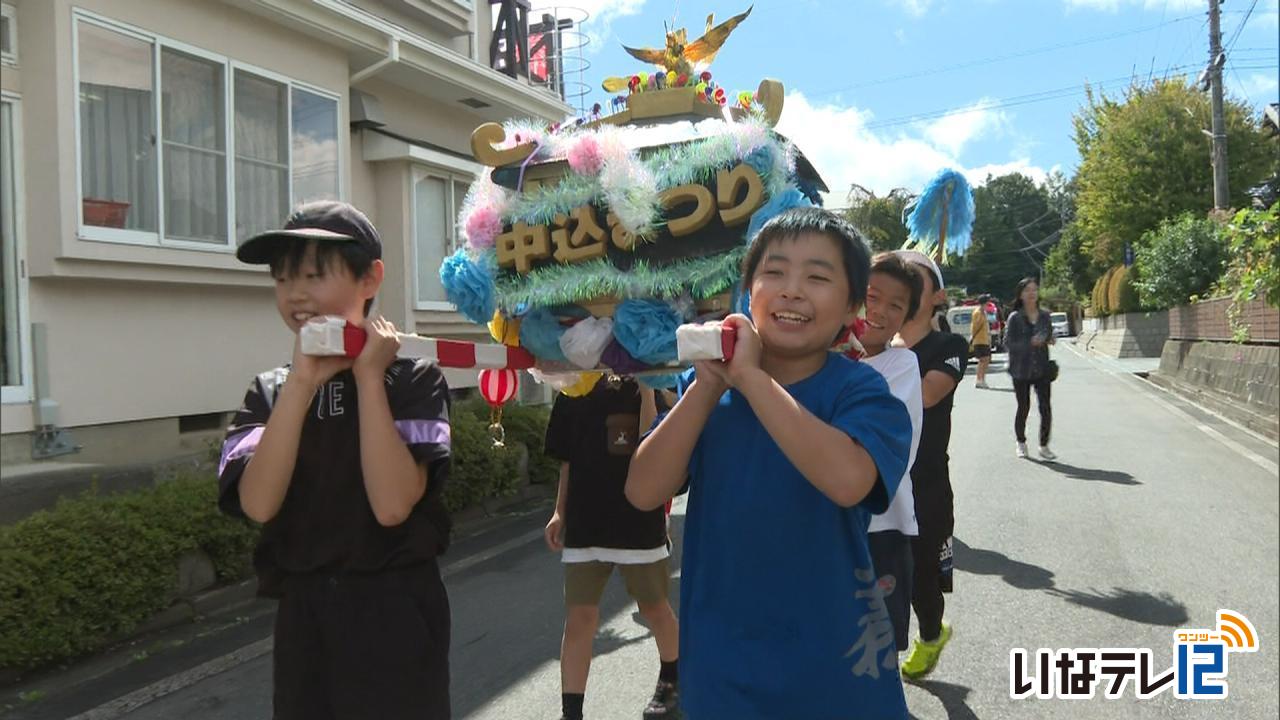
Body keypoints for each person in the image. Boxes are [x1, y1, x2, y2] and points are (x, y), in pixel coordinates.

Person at [626, 208, 914, 719]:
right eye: (774, 273)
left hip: (835, 668)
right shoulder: (707, 390)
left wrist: (753, 379)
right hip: (722, 669)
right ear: (749, 293)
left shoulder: (863, 390)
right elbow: (643, 492)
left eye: (818, 277)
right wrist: (711, 384)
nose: (792, 290)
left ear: (852, 307)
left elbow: (849, 481)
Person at [217, 201, 453, 720]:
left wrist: (369, 378)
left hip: (395, 610)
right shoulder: (271, 390)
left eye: (313, 275)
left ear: (370, 278)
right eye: (282, 279)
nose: (295, 294)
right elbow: (257, 504)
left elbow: (393, 506)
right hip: (305, 614)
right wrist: (301, 385)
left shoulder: (414, 381)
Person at [543, 377, 680, 720]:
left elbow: (653, 441)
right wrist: (560, 511)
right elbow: (567, 460)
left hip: (637, 520)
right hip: (585, 522)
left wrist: (646, 384)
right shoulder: (573, 384)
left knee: (654, 609)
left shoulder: (647, 381)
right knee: (579, 619)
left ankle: (673, 684)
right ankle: (571, 713)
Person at [891, 249, 967, 681]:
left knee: (922, 578)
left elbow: (927, 394)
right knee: (883, 574)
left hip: (926, 485)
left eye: (913, 277)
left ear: (937, 296)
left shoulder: (948, 345)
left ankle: (932, 633)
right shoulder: (874, 344)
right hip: (878, 481)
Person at [859, 253, 925, 656]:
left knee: (877, 644)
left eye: (895, 305)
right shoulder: (813, 355)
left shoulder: (902, 364)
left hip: (883, 525)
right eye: (871, 296)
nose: (880, 311)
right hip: (821, 524)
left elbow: (886, 449)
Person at [1005, 277, 1056, 461]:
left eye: (1034, 289)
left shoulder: (1044, 316)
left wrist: (1049, 339)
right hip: (1021, 369)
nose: (1031, 293)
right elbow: (1008, 343)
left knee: (1045, 407)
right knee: (1023, 406)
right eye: (1027, 290)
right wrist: (1030, 343)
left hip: (1042, 367)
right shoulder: (1015, 317)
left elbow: (1049, 334)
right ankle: (1021, 442)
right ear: (1020, 294)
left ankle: (1044, 445)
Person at [970, 294, 992, 388]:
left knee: (985, 360)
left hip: (984, 340)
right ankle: (979, 380)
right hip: (979, 340)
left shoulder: (983, 312)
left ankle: (982, 379)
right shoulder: (978, 313)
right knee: (983, 360)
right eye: (987, 302)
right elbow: (975, 327)